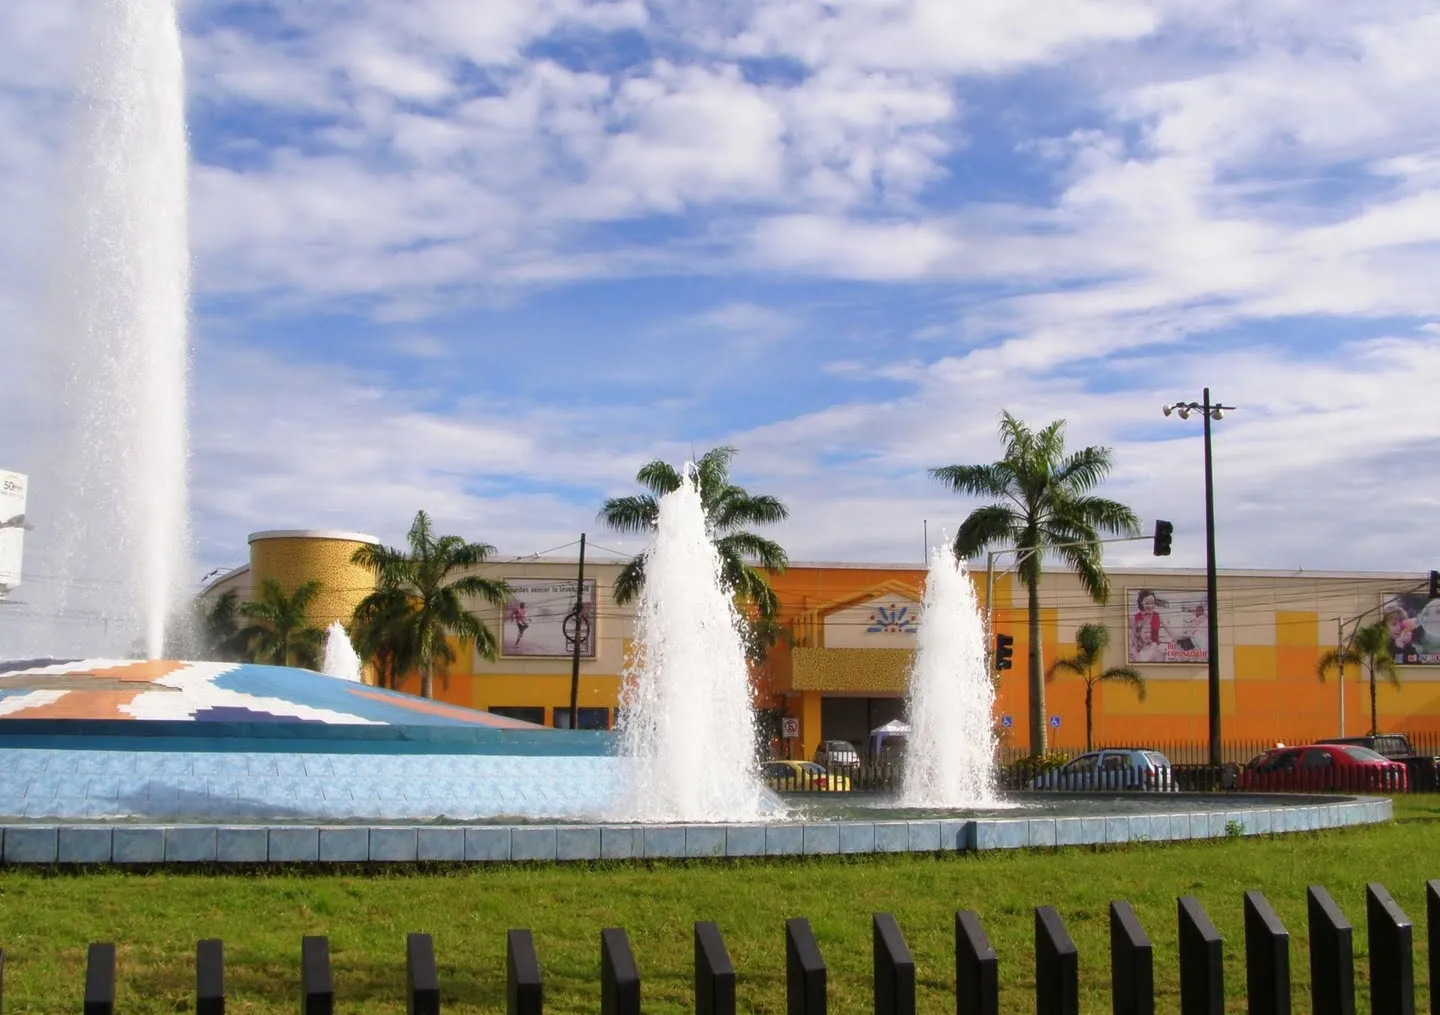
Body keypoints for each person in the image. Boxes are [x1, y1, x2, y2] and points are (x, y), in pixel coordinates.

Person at [1131, 589, 1181, 662]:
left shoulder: (1158, 616)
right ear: (1141, 602)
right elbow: (1133, 643)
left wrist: (1189, 634)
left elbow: (1174, 635)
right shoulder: (1135, 618)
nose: (1150, 606)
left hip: (1156, 652)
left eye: (1152, 603)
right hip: (1141, 654)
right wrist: (1138, 659)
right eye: (1147, 603)